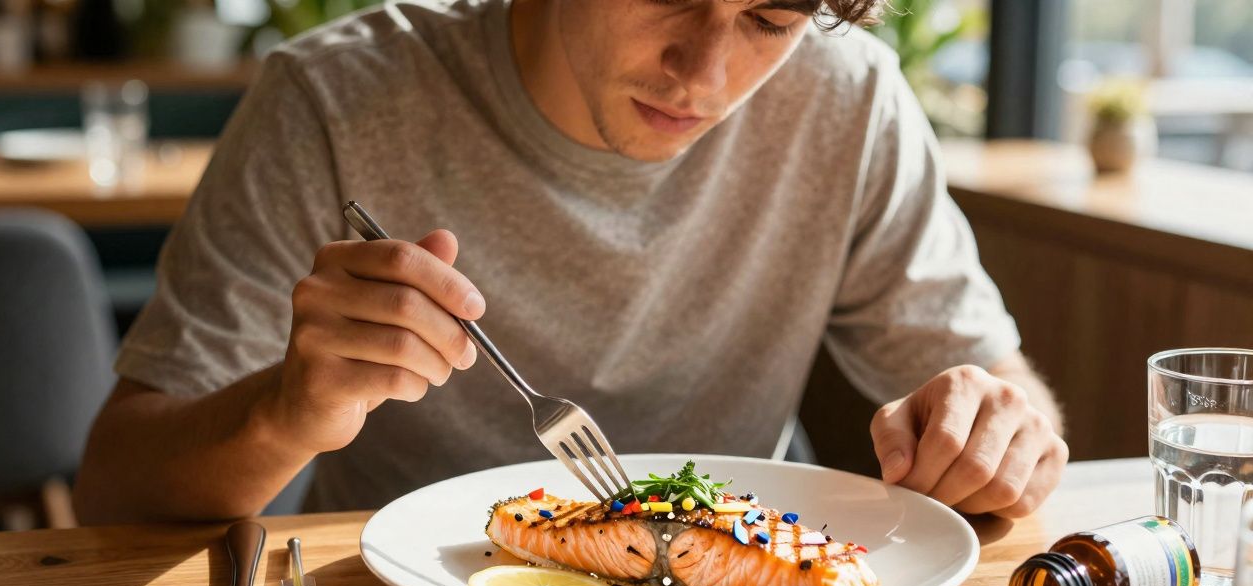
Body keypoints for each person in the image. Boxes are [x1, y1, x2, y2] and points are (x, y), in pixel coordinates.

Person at [75, 0, 1068, 525]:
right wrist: (287, 409)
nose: (704, 73)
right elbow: (117, 489)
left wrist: (999, 429)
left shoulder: (848, 102)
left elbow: (999, 391)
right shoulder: (334, 101)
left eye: (768, 19)